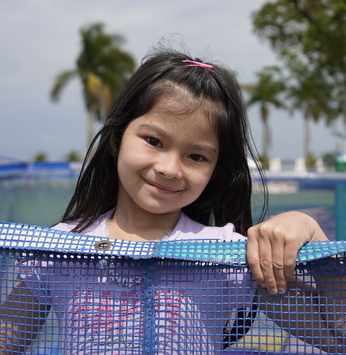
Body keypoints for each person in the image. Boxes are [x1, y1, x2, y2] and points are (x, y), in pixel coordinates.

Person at [0, 47, 345, 354]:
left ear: (214, 171)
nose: (169, 169)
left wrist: (314, 236)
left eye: (196, 157)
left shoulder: (230, 257)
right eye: (153, 140)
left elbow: (336, 336)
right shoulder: (59, 249)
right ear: (117, 138)